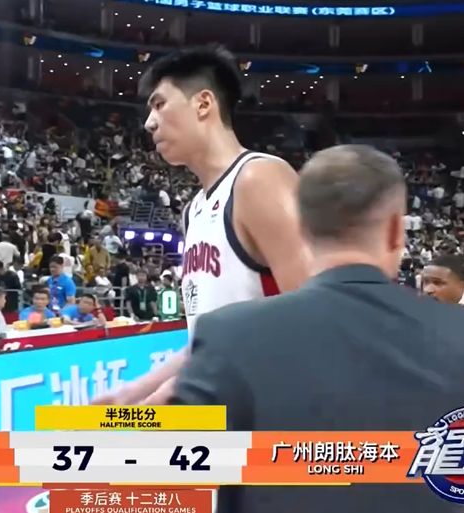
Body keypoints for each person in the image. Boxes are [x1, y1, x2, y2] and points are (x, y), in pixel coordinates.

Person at [170, 145, 464, 513]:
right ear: (395, 231)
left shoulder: (228, 335)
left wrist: (115, 423)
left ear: (304, 230)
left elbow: (162, 469)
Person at [94, 46, 309, 405]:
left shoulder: (259, 179)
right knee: (72, 426)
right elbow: (207, 341)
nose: (149, 123)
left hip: (270, 416)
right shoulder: (193, 210)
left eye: (159, 104)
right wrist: (130, 394)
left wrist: (167, 398)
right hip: (219, 416)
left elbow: (316, 318)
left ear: (203, 104)